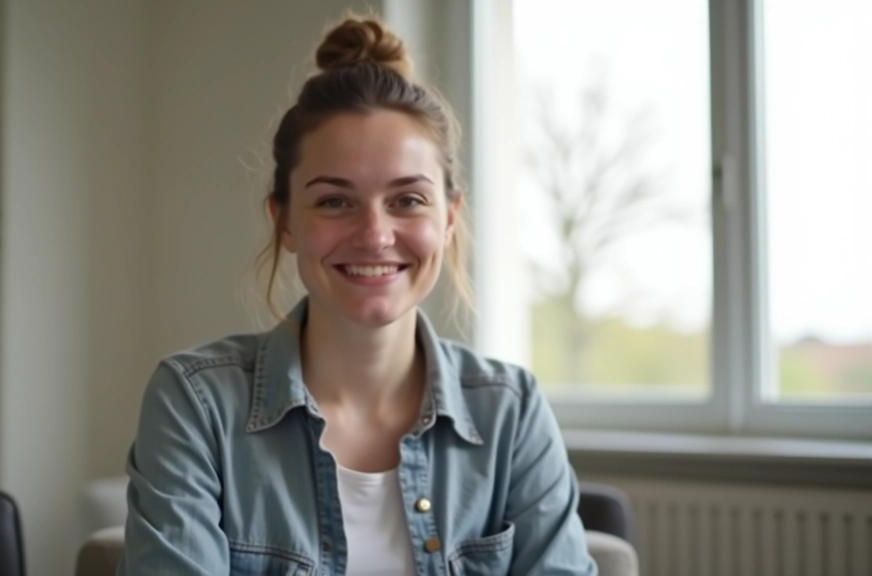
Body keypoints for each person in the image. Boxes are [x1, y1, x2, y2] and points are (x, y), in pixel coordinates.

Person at [119, 15, 597, 576]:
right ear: (286, 222)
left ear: (449, 219)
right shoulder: (195, 405)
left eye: (408, 200)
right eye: (334, 201)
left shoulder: (512, 413)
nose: (374, 234)